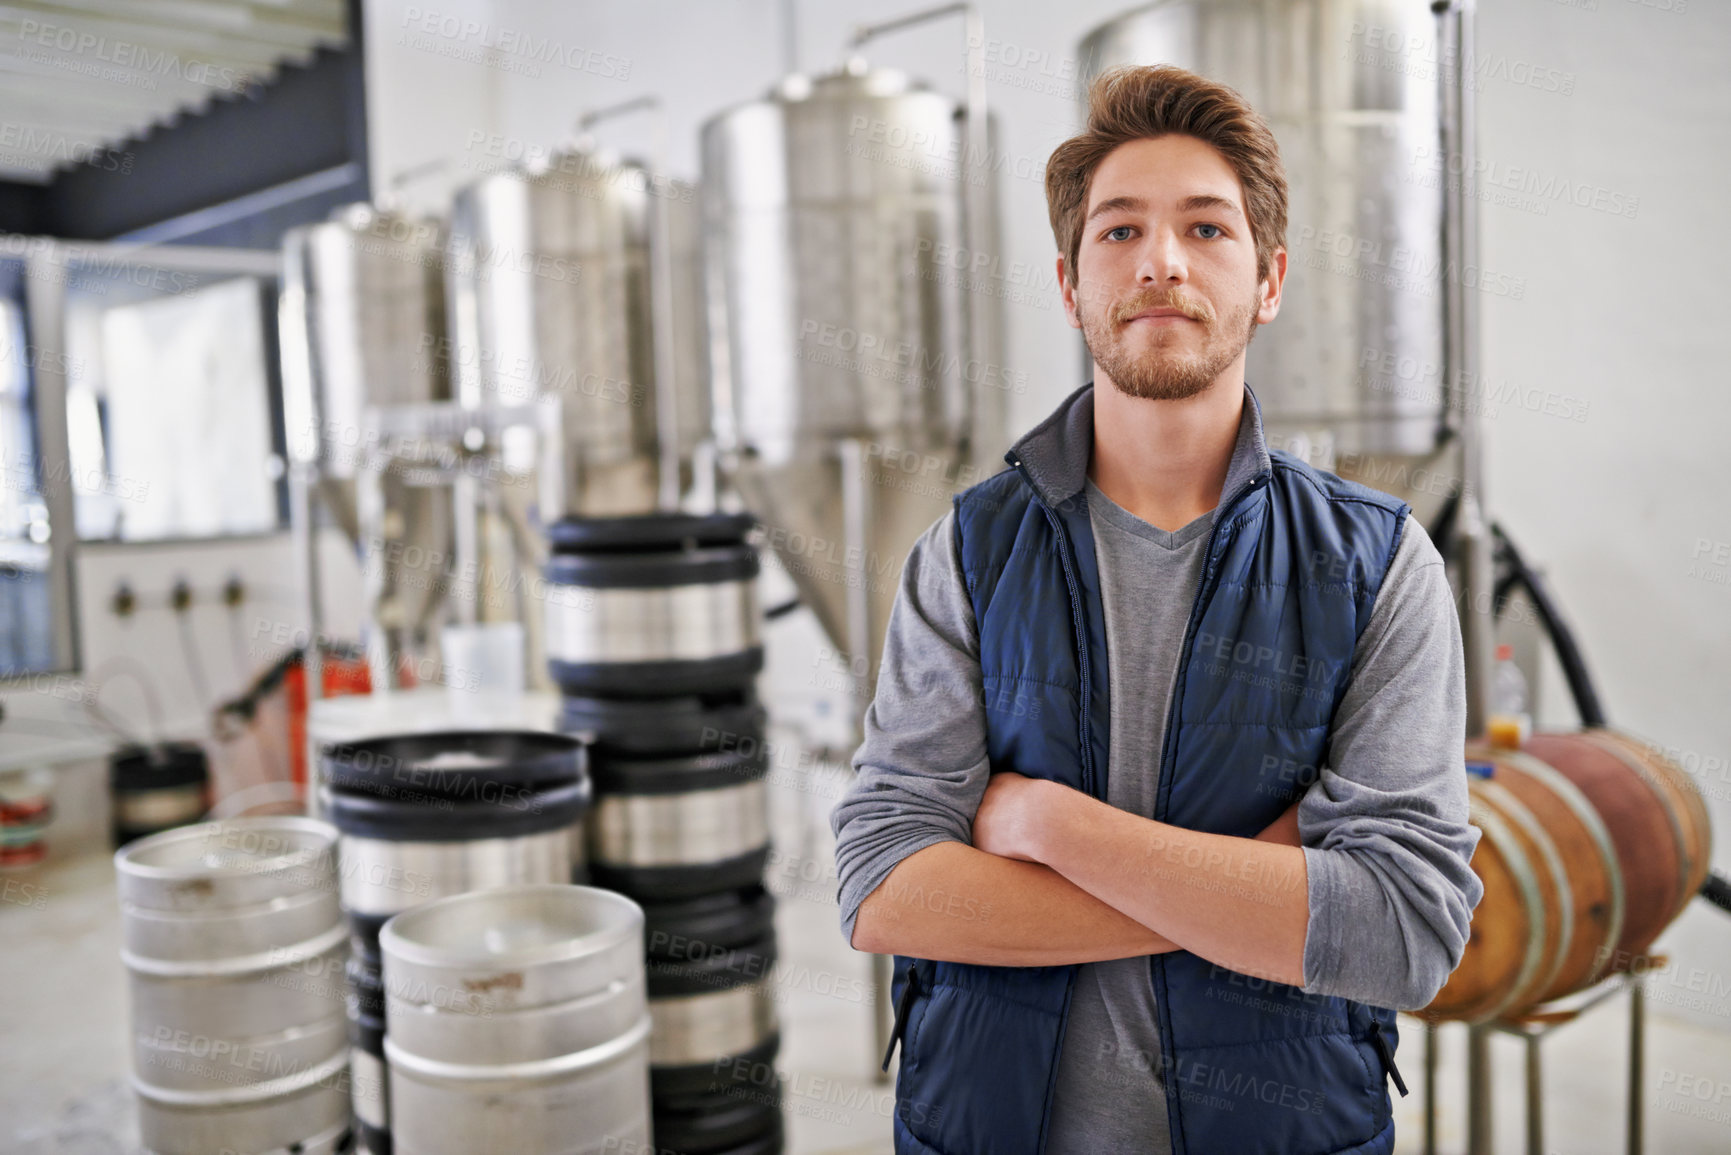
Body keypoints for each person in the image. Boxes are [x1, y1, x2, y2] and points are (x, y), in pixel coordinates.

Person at [829, 64, 1484, 1155]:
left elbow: (1405, 930)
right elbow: (882, 887)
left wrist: (1052, 827)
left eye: (1206, 230)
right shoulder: (970, 550)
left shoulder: (1376, 564)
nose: (1162, 263)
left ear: (1269, 281)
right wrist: (1253, 887)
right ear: (1070, 283)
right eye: (1119, 232)